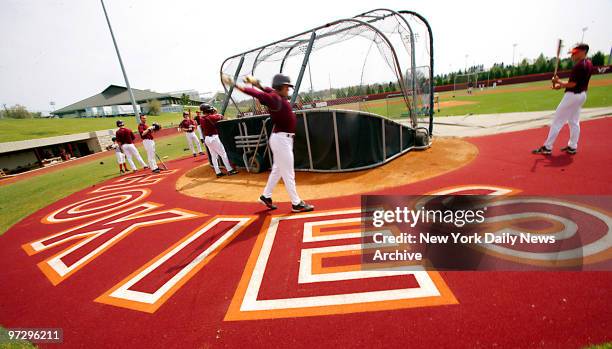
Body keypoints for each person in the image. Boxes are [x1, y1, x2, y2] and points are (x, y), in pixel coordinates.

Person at [231, 73, 314, 213]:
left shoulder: (277, 95)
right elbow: (257, 93)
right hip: (281, 139)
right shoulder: (274, 99)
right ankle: (296, 203)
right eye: (287, 87)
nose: (289, 89)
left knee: (277, 170)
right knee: (288, 174)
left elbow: (264, 88)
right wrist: (237, 85)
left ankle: (266, 196)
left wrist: (254, 81)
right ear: (280, 87)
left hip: (282, 139)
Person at [533, 43, 593, 155]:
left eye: (574, 53)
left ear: (583, 52)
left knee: (557, 121)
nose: (572, 56)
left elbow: (572, 84)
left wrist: (559, 82)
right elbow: (576, 83)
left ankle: (547, 147)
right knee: (574, 121)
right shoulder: (589, 63)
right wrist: (560, 85)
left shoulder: (579, 66)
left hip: (572, 96)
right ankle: (572, 146)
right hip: (582, 95)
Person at [199, 103, 238, 178]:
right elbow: (221, 116)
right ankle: (230, 170)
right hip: (214, 138)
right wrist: (215, 112)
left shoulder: (201, 118)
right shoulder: (211, 117)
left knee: (214, 156)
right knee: (223, 153)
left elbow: (212, 116)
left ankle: (218, 172)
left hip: (207, 139)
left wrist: (213, 112)